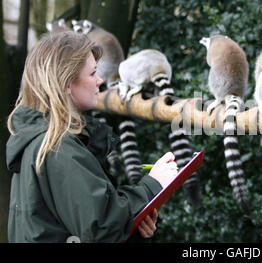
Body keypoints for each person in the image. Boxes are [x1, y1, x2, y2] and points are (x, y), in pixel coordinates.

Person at [5, 31, 178, 242]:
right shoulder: (58, 148)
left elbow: (76, 226)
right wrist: (153, 184)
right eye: (92, 73)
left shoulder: (39, 140)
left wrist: (133, 226)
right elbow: (101, 227)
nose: (99, 81)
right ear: (67, 82)